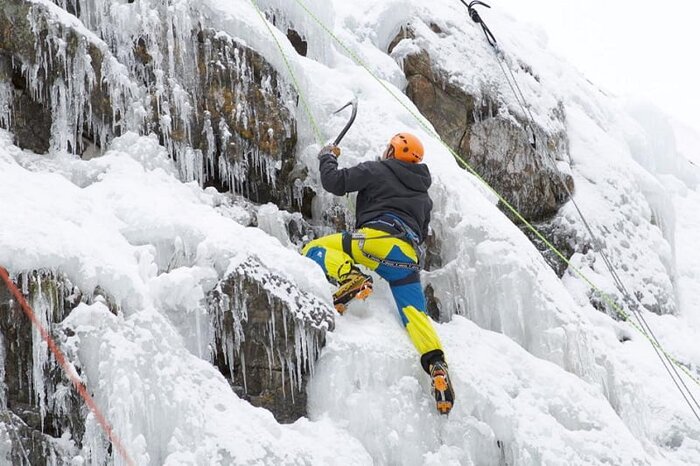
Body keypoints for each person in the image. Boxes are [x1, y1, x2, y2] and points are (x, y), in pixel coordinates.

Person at [302, 132, 455, 415]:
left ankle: (350, 277)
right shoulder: (423, 196)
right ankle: (436, 364)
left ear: (393, 151)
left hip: (373, 241)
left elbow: (334, 182)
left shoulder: (377, 169)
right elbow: (421, 233)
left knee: (313, 248)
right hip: (406, 259)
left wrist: (327, 157)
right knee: (414, 315)